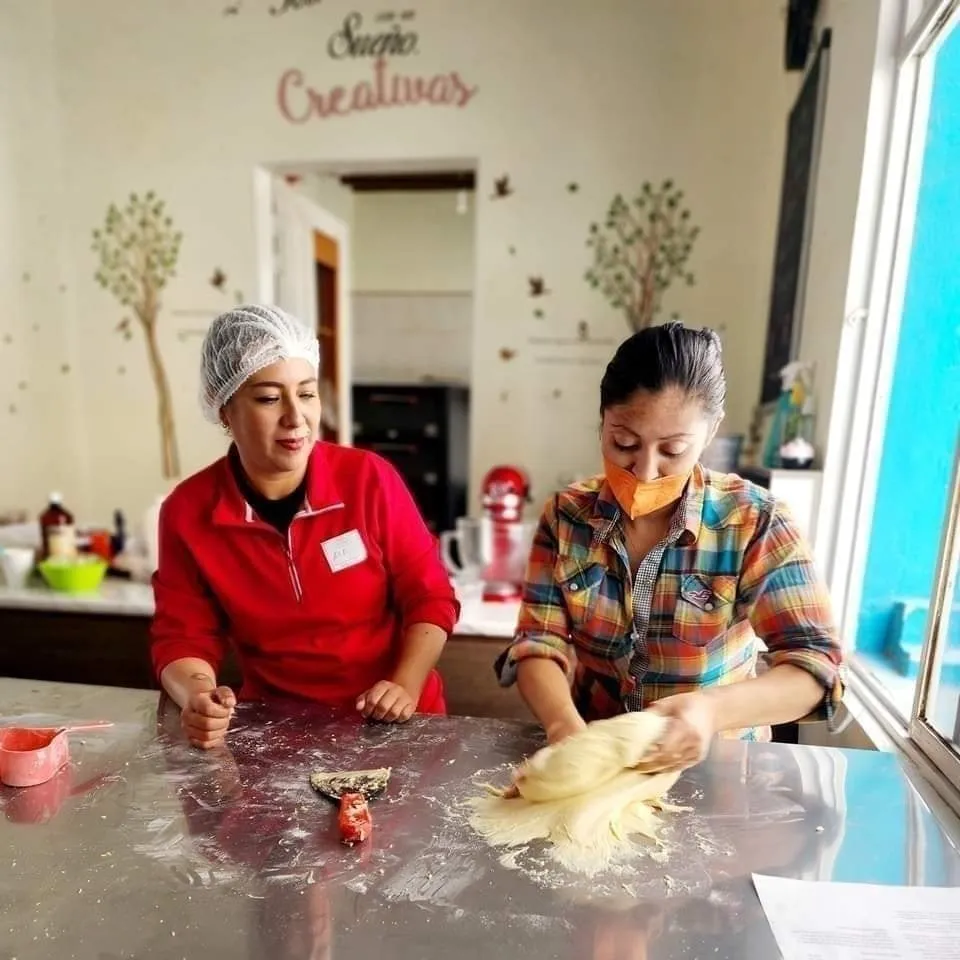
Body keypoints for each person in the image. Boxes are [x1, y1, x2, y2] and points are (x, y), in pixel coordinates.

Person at [495, 322, 843, 772]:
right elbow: (538, 643)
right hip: (597, 753)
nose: (644, 471)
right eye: (624, 443)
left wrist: (709, 712)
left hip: (720, 766)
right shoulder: (567, 518)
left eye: (674, 450)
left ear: (711, 430)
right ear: (603, 419)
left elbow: (814, 665)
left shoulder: (755, 522)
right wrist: (564, 726)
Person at [151, 305, 459, 748]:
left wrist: (404, 685)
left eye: (308, 393)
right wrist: (198, 697)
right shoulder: (188, 511)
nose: (296, 417)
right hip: (279, 734)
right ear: (224, 409)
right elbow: (181, 635)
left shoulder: (368, 479)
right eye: (269, 398)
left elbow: (430, 596)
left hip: (397, 725)